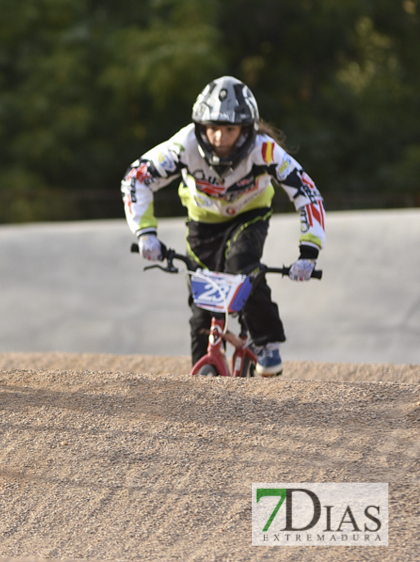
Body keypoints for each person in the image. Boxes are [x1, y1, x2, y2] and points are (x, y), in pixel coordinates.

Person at [121, 76, 325, 377]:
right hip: (202, 224)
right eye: (213, 128)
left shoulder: (264, 150)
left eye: (229, 129)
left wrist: (309, 251)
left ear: (246, 128)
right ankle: (202, 379)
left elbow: (306, 192)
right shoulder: (183, 145)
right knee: (203, 307)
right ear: (201, 126)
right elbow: (136, 177)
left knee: (243, 267)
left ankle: (266, 343)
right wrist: (146, 233)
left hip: (250, 216)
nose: (220, 137)